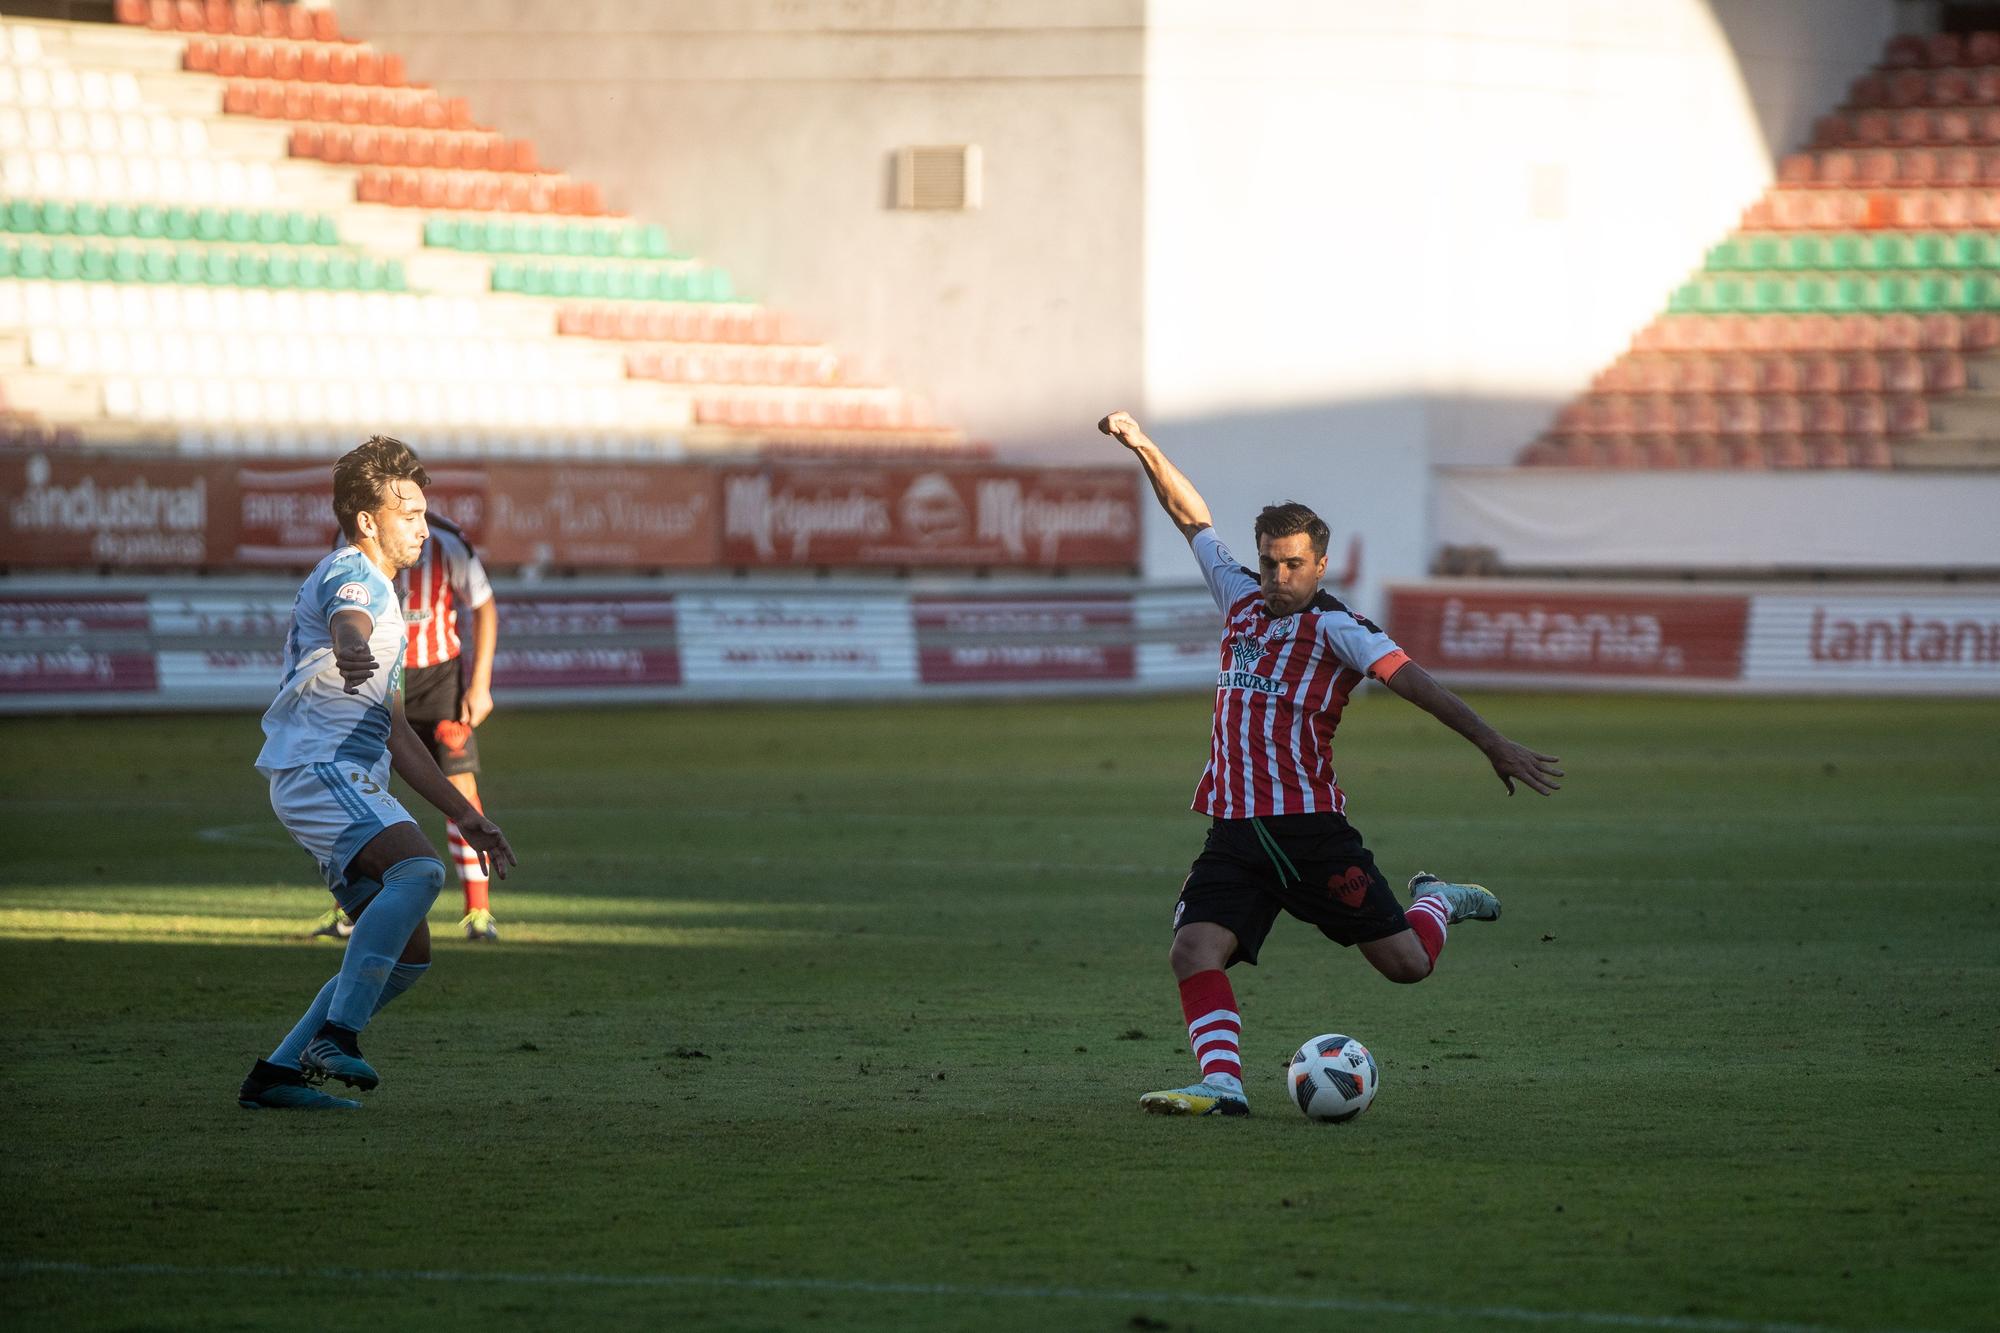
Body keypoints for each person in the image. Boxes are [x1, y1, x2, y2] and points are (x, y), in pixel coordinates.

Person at [1099, 410, 1562, 1117]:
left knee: (1406, 966)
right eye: (1269, 562)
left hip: (1312, 832)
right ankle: (1222, 1084)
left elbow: (1416, 682)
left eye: (1293, 564)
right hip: (1235, 830)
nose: (1279, 576)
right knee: (1193, 948)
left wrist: (1491, 741)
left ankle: (1436, 898)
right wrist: (1144, 447)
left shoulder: (1338, 628)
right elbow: (1192, 519)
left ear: (1321, 564)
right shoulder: (1240, 600)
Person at [238, 436, 518, 1111]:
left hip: (346, 774)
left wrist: (464, 812)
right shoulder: (354, 575)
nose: (424, 527)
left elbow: (394, 729)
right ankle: (336, 1036)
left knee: (408, 954)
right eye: (411, 513)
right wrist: (353, 645)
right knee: (419, 873)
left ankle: (276, 1074)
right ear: (368, 520)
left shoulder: (384, 592)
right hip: (320, 766)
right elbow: (348, 621)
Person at [312, 505, 503, 941]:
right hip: (379, 675)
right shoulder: (352, 545)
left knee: (461, 788)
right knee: (360, 790)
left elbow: (484, 606)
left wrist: (480, 685)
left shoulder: (447, 541)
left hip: (438, 679)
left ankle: (478, 912)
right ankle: (349, 908)